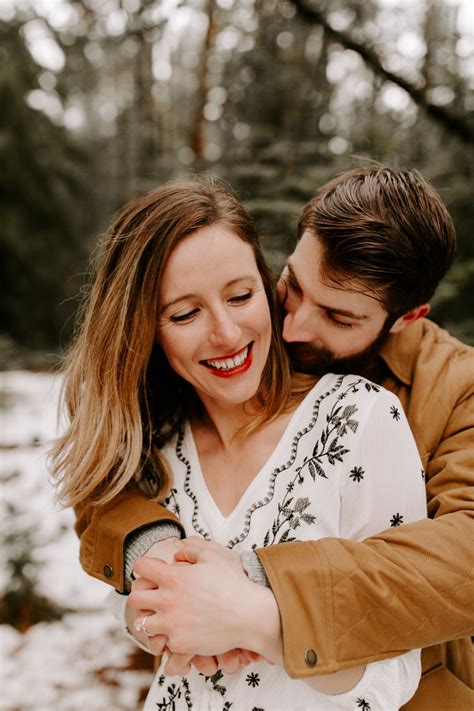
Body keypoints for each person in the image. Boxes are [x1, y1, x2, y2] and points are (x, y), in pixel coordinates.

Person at [73, 166, 474, 709]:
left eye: (336, 315)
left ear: (407, 318)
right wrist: (159, 566)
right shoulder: (237, 339)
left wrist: (252, 588)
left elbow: (464, 555)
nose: (293, 328)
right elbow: (106, 463)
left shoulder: (454, 388)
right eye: (291, 285)